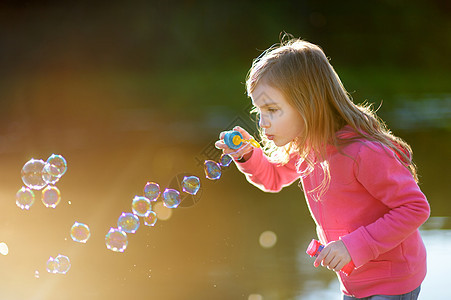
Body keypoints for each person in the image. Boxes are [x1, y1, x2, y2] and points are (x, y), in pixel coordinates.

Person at [215, 36, 430, 299]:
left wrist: (352, 247)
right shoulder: (307, 149)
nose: (262, 122)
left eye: (272, 109)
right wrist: (248, 156)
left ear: (308, 104)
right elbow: (273, 178)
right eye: (259, 110)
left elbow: (415, 208)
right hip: (354, 280)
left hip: (392, 279)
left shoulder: (363, 153)